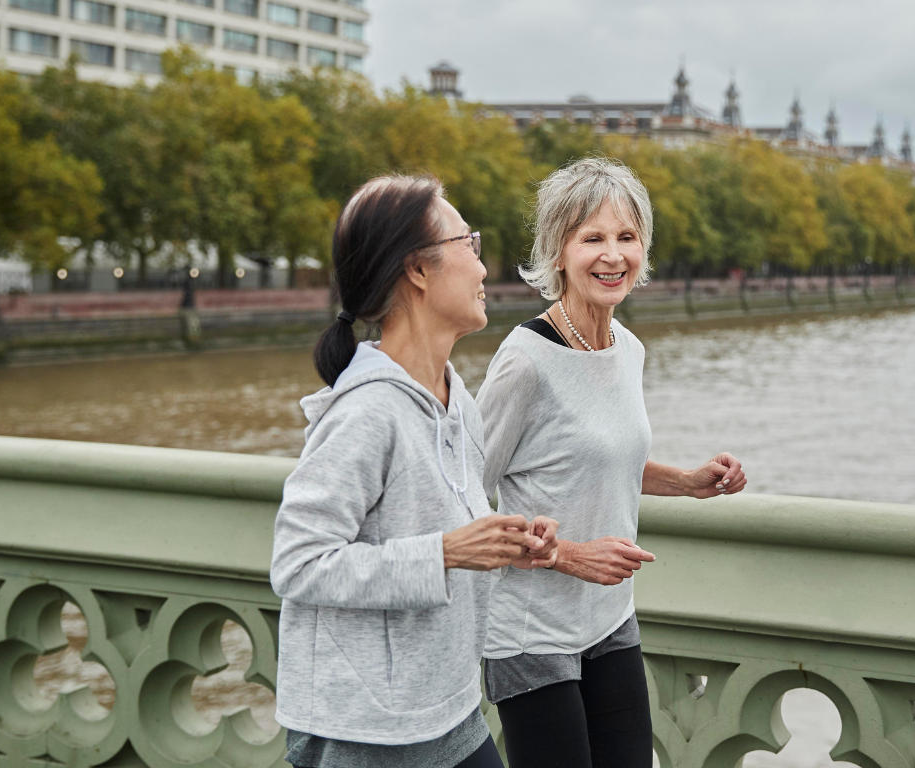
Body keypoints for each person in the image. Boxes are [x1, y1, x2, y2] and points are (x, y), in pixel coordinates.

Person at [270, 175, 558, 768]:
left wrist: (507, 546)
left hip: (449, 709)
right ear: (419, 270)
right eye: (468, 244)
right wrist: (445, 553)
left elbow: (445, 537)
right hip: (365, 732)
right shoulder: (366, 412)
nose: (482, 266)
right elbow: (298, 564)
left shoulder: (460, 403)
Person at [477, 157, 748, 768]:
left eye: (626, 236)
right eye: (592, 238)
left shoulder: (629, 349)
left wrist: (691, 482)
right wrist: (568, 555)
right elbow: (461, 496)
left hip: (610, 619)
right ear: (558, 252)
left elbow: (597, 460)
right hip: (532, 632)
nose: (612, 255)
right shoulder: (525, 361)